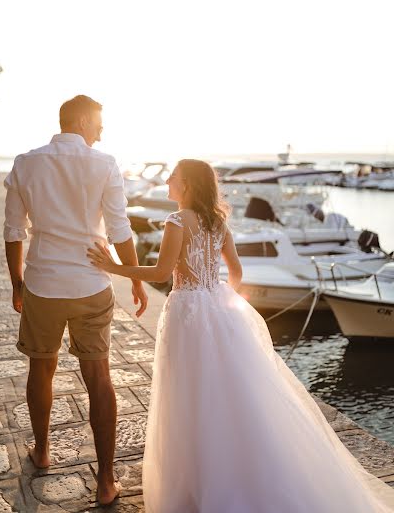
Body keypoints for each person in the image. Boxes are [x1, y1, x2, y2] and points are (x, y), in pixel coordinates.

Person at [88, 159, 394, 512]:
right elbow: (235, 270)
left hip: (187, 313)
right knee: (227, 391)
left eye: (173, 176)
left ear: (186, 184)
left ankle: (199, 484)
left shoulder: (177, 221)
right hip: (216, 308)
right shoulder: (218, 223)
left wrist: (112, 266)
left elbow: (159, 270)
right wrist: (221, 300)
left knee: (189, 395)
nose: (168, 180)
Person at [4, 95, 147, 506]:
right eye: (99, 123)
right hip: (89, 285)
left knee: (41, 367)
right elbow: (119, 228)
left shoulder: (26, 162)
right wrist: (136, 278)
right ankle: (105, 481)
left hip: (44, 283)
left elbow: (14, 230)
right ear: (82, 121)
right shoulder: (103, 164)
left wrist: (17, 283)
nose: (102, 131)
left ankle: (43, 450)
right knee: (99, 376)